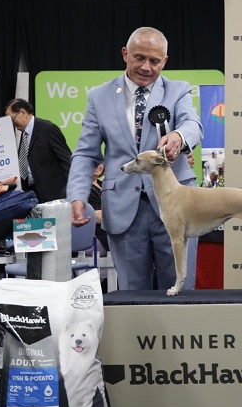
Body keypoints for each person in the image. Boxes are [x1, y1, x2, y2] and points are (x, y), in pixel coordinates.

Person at [66, 27, 203, 291]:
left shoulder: (178, 90)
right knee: (132, 295)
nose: (146, 67)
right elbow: (85, 153)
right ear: (125, 54)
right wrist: (77, 196)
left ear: (165, 61)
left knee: (181, 291)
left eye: (154, 61)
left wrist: (178, 136)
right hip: (123, 208)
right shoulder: (99, 97)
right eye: (139, 57)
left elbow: (192, 124)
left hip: (177, 206)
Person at [4, 98, 71, 203]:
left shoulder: (48, 129)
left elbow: (67, 160)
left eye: (12, 119)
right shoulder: (24, 134)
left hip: (54, 196)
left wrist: (70, 190)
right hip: (34, 195)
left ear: (23, 112)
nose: (12, 123)